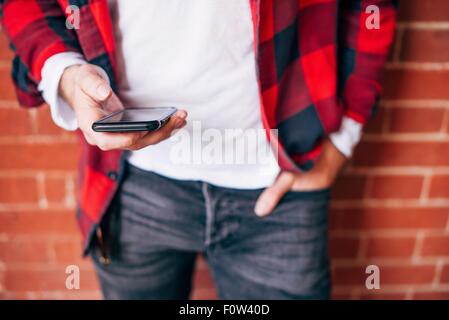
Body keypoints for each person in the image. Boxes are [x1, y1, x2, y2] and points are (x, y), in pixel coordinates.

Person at [0, 0, 397, 299]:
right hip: (132, 181)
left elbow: (372, 9)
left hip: (279, 178)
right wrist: (64, 72)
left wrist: (342, 141)